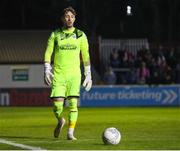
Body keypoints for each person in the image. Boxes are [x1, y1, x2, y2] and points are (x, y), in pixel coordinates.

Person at [44, 6, 92, 140]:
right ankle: (60, 120)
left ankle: (71, 132)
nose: (69, 18)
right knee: (57, 105)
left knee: (73, 104)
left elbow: (85, 55)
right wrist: (47, 69)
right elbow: (48, 52)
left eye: (72, 16)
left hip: (74, 75)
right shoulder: (55, 34)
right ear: (62, 19)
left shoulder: (81, 35)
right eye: (67, 16)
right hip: (59, 74)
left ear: (75, 19)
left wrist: (88, 73)